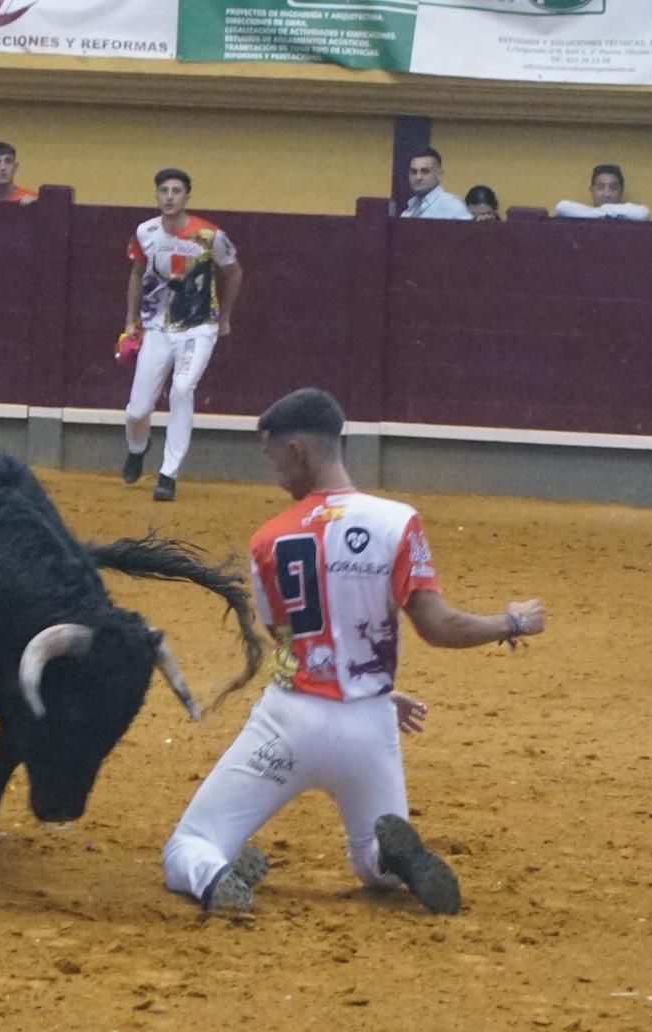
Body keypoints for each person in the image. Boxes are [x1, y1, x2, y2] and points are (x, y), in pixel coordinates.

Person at [162, 387, 547, 914]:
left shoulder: (266, 541)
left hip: (289, 725)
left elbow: (291, 646)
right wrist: (514, 621)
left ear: (296, 450)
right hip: (368, 725)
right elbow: (439, 626)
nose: (274, 472)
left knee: (190, 846)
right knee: (370, 862)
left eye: (273, 456)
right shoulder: (397, 522)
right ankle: (396, 861)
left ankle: (216, 880)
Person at [119, 167, 243, 502]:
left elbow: (233, 273)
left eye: (176, 191)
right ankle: (137, 447)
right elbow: (136, 273)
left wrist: (225, 317)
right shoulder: (144, 232)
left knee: (183, 389)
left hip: (199, 327)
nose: (170, 197)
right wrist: (131, 320)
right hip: (157, 327)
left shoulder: (209, 235)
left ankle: (168, 474)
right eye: (164, 191)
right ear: (157, 195)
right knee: (136, 410)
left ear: (187, 196)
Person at [554, 163, 652, 221]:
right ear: (592, 191)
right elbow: (561, 207)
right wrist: (602, 214)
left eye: (613, 188)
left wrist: (601, 211)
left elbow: (644, 213)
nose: (606, 194)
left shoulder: (632, 214)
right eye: (600, 187)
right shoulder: (581, 212)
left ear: (621, 192)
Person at [399, 148, 472, 220]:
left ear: (439, 175)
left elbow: (468, 231)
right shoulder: (410, 208)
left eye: (425, 171)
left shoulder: (452, 205)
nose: (418, 177)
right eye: (414, 172)